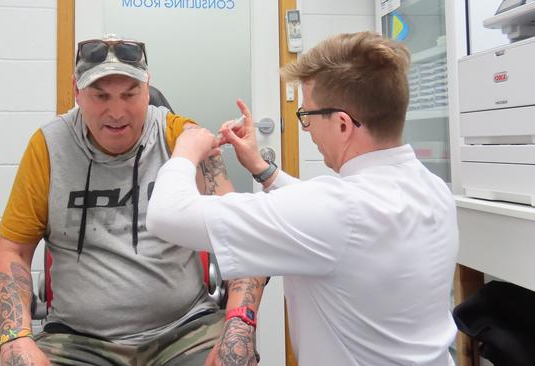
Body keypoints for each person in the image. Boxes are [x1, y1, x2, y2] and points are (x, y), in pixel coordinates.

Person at [147, 31, 459, 365]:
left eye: (307, 116)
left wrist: (184, 150)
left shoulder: (334, 210)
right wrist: (261, 168)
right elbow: (335, 221)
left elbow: (167, 215)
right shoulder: (433, 188)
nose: (306, 130)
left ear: (342, 124)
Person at [0, 34, 266, 366]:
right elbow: (11, 252)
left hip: (185, 333)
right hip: (77, 341)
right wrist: (15, 337)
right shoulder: (48, 147)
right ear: (77, 91)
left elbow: (239, 235)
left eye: (130, 94)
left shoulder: (183, 138)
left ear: (148, 88)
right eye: (100, 95)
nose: (116, 111)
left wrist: (239, 325)